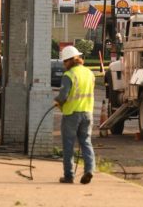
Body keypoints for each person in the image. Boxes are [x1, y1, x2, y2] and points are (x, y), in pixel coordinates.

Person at [54, 45, 95, 184]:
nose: (64, 65)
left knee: (68, 145)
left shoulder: (69, 75)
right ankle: (89, 170)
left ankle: (69, 176)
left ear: (68, 61)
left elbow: (63, 96)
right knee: (86, 142)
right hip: (88, 113)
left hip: (72, 114)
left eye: (64, 62)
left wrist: (58, 102)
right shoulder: (89, 73)